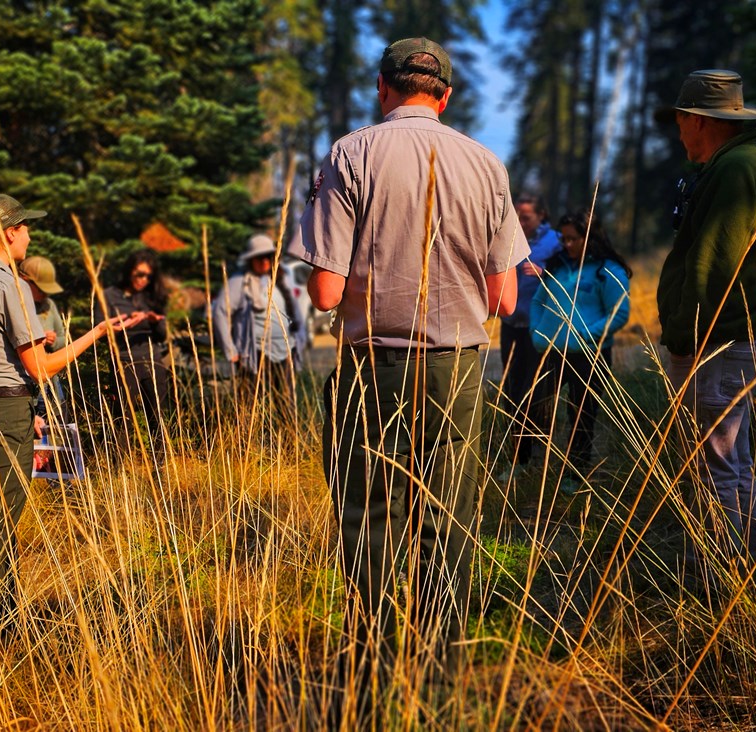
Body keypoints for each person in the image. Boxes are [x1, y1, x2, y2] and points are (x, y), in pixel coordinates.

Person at [290, 37, 525, 721]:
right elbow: (506, 300)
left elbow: (327, 295)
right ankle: (439, 693)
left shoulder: (350, 154)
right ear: (446, 96)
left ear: (382, 87)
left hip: (373, 371)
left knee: (368, 527)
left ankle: (366, 689)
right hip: (456, 370)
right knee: (447, 530)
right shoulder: (486, 164)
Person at [0, 193, 143, 635]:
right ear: (10, 232)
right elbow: (43, 367)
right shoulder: (7, 282)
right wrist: (97, 333)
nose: (30, 235)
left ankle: (1, 620)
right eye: (26, 227)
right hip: (3, 411)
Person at [657, 69, 756, 581]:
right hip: (727, 339)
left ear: (697, 120)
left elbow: (714, 267)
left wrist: (688, 339)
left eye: (681, 123)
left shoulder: (736, 169)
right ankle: (740, 574)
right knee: (730, 463)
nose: (680, 134)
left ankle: (717, 581)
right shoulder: (735, 163)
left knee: (716, 467)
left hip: (717, 342)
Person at [529, 209, 631, 494]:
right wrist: (537, 333)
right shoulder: (557, 266)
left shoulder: (607, 269)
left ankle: (574, 474)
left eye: (574, 239)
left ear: (591, 237)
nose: (567, 244)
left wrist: (583, 336)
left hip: (589, 356)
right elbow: (538, 301)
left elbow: (618, 313)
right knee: (532, 404)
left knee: (581, 415)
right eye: (564, 238)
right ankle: (524, 461)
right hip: (550, 351)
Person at [497, 196, 563, 478]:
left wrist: (545, 273)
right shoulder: (507, 237)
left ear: (542, 216)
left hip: (541, 327)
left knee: (537, 390)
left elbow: (572, 274)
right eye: (518, 216)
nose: (521, 222)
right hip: (511, 324)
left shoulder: (556, 241)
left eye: (527, 217)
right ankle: (518, 458)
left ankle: (540, 453)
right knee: (512, 390)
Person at [211, 234, 299, 422]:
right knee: (249, 405)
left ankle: (290, 445)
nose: (265, 261)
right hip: (255, 352)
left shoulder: (278, 279)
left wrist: (299, 338)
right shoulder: (239, 282)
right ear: (251, 259)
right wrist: (230, 349)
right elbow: (220, 312)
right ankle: (246, 446)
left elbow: (294, 311)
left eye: (268, 256)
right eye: (260, 257)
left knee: (287, 404)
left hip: (284, 351)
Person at [95, 249, 171, 465]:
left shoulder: (151, 296)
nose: (143, 280)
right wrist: (124, 322)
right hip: (124, 360)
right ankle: (120, 469)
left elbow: (163, 335)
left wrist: (155, 321)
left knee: (157, 416)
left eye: (148, 276)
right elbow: (100, 332)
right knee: (124, 418)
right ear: (129, 272)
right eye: (139, 274)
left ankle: (160, 469)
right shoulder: (109, 296)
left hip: (153, 360)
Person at [18, 256, 67, 409]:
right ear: (25, 281)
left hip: (51, 380)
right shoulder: (16, 305)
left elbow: (63, 339)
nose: (46, 294)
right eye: (41, 289)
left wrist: (53, 341)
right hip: (24, 382)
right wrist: (35, 342)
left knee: (58, 423)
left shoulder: (49, 305)